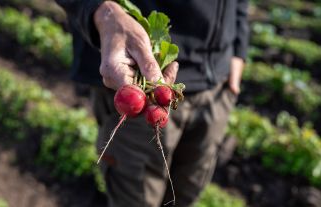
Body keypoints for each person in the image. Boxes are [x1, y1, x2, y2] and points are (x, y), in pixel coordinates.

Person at [55, 0, 249, 206]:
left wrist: (240, 46)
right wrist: (104, 12)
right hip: (124, 76)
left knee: (186, 196)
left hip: (216, 86)